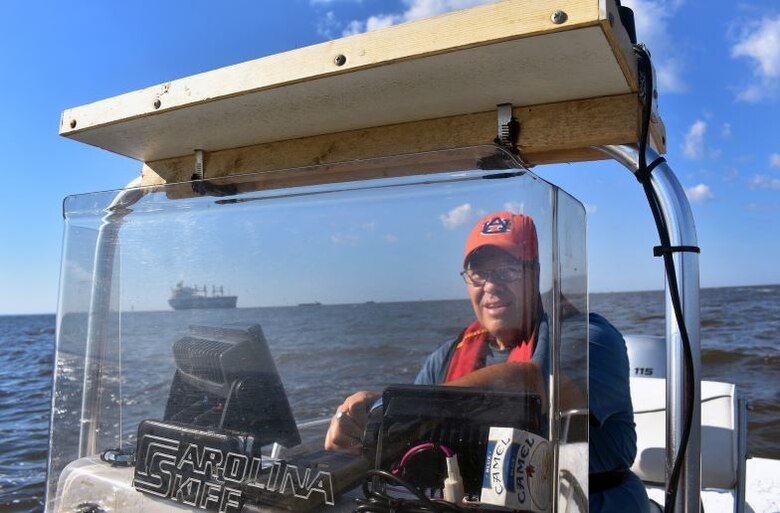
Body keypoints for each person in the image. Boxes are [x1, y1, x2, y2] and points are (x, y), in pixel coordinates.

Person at [325, 211, 649, 513]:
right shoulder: (447, 356)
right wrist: (357, 433)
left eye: (507, 271)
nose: (491, 286)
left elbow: (532, 385)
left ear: (534, 274)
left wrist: (387, 405)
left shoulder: (589, 337)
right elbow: (408, 430)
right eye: (478, 273)